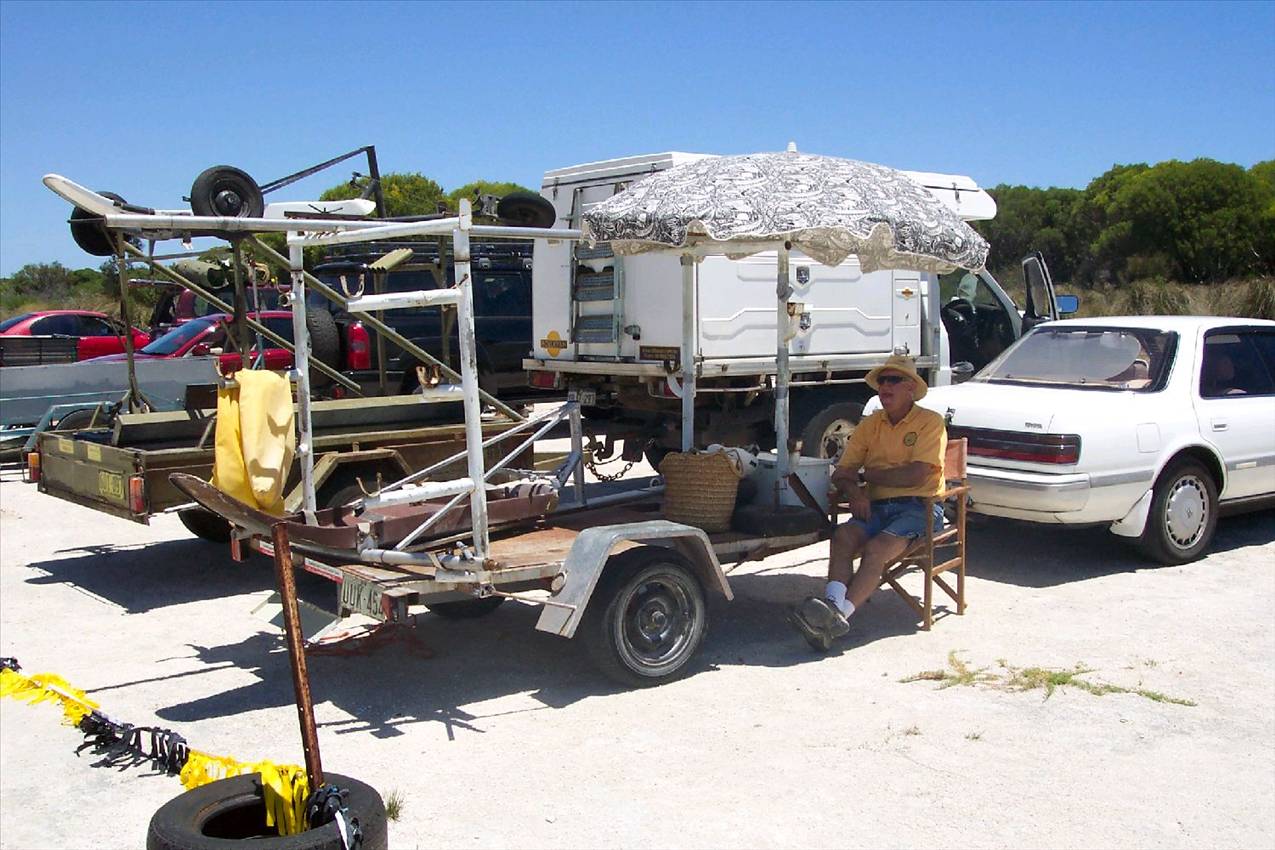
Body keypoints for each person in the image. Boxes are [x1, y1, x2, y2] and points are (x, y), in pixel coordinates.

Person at [788, 354, 946, 650]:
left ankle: (835, 618)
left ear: (911, 387)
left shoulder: (930, 423)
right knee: (843, 536)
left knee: (875, 550)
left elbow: (917, 474)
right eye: (882, 381)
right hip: (876, 506)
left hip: (919, 507)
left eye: (893, 380)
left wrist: (869, 475)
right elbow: (843, 473)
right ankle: (831, 614)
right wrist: (856, 491)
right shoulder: (870, 424)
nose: (885, 386)